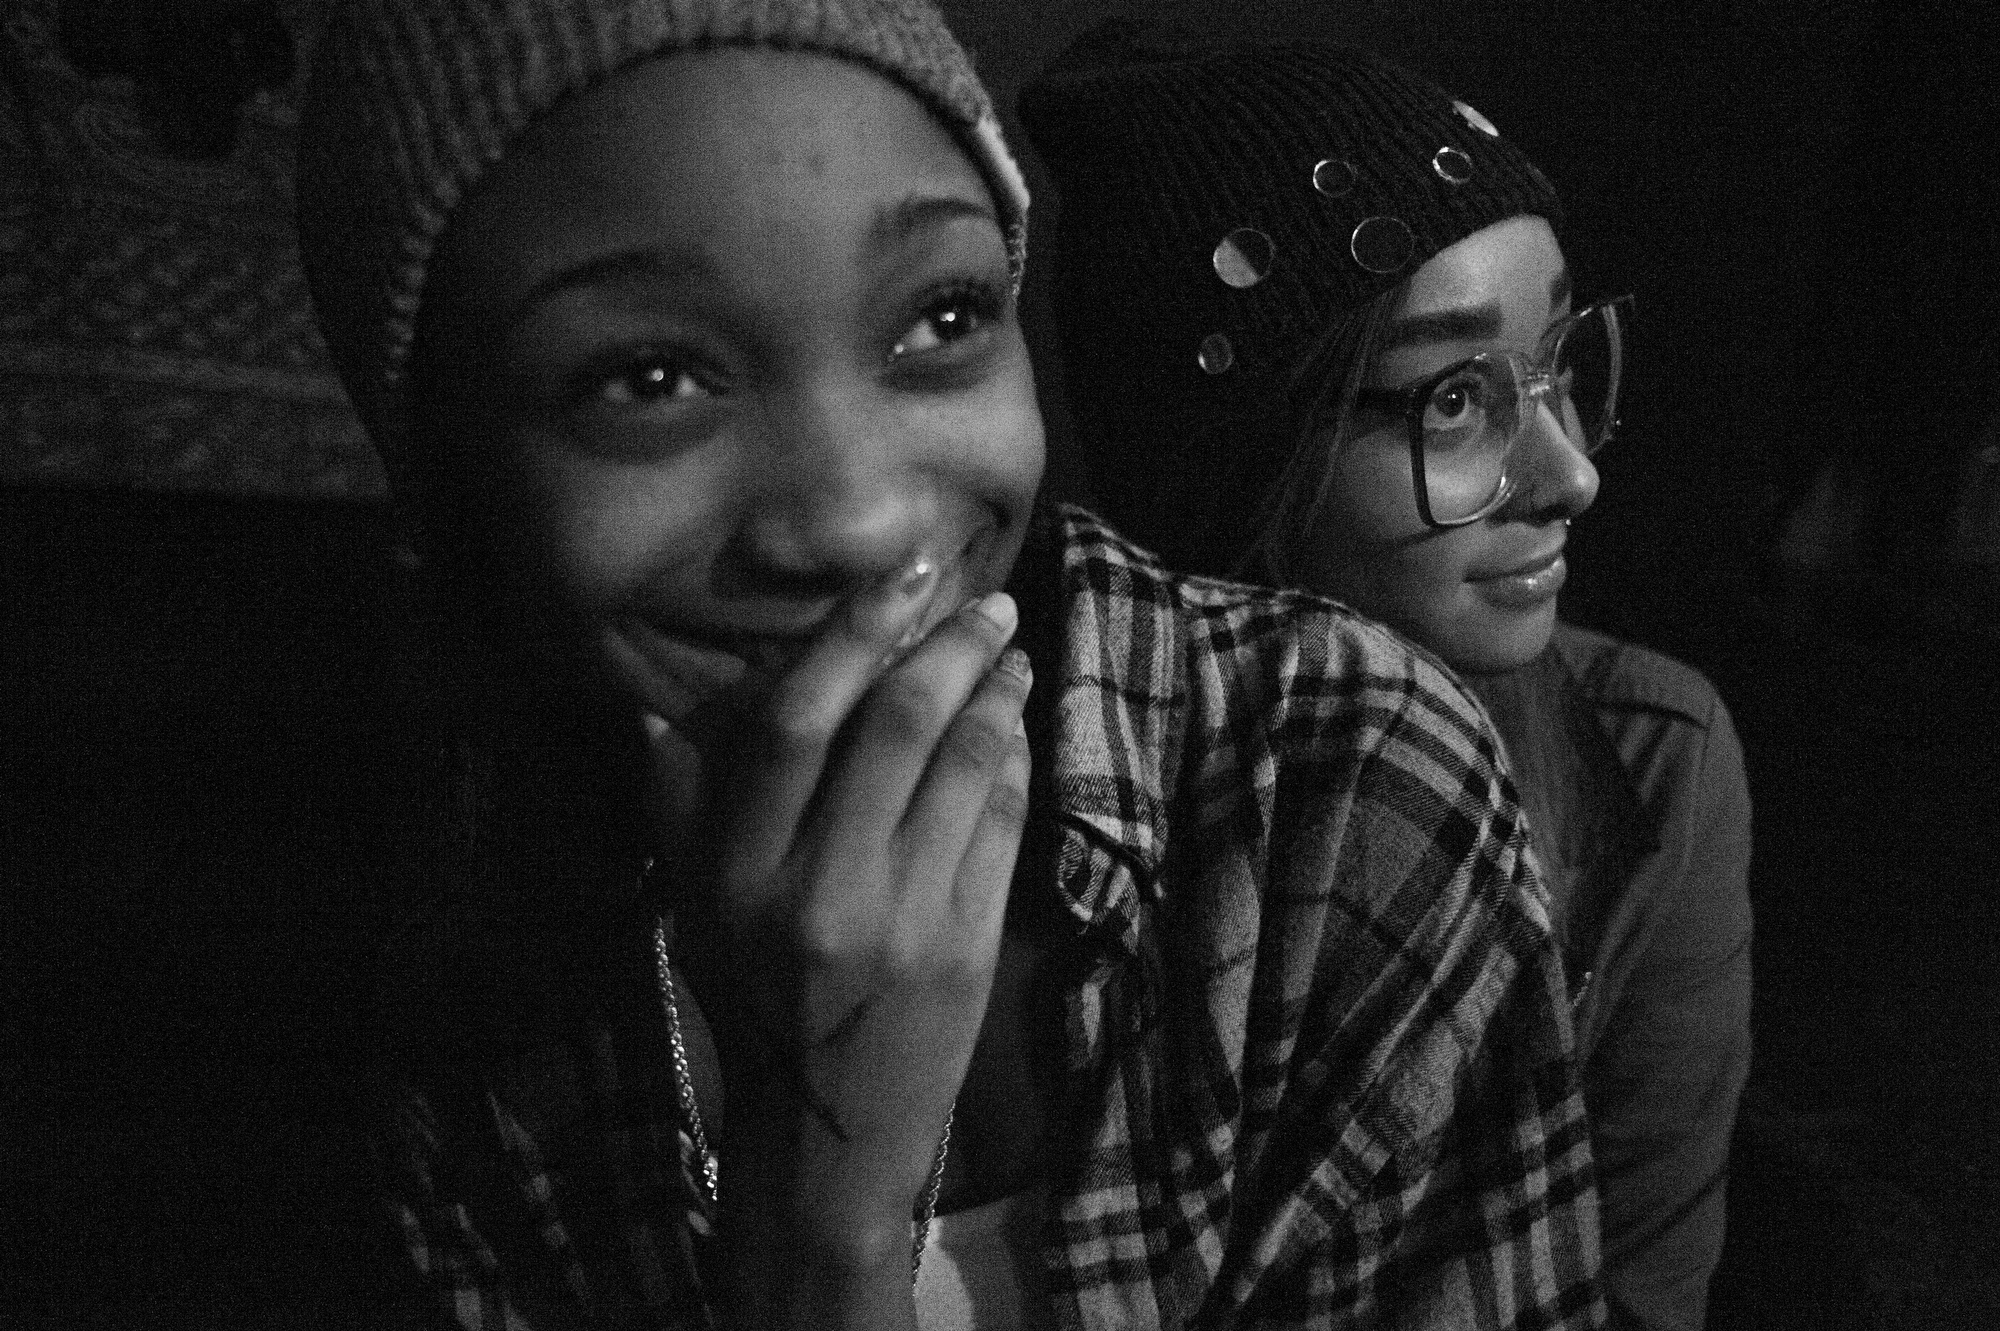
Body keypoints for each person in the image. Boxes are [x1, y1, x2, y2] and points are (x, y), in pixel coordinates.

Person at [293, 3, 1607, 1327]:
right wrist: (820, 1222)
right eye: (648, 376)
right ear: (445, 496)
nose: (863, 519)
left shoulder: (1334, 782)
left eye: (942, 315)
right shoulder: (448, 995)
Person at [1020, 34, 1753, 1331]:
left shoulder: (1650, 759)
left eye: (1559, 362)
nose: (1570, 471)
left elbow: (1635, 1295)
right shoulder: (1059, 837)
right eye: (1456, 398)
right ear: (1244, 465)